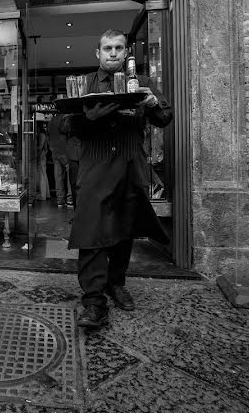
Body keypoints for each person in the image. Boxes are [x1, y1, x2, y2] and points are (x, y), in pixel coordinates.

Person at [60, 29, 172, 329]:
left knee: (124, 231)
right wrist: (87, 119)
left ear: (126, 53)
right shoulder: (83, 84)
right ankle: (94, 301)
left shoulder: (141, 86)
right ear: (98, 52)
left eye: (119, 48)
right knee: (92, 234)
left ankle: (116, 283)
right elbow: (66, 125)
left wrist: (151, 104)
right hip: (95, 169)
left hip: (129, 167)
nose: (113, 53)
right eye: (107, 48)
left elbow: (164, 118)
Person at [48, 113, 73, 208]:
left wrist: (51, 147)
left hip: (55, 151)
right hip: (66, 150)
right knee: (69, 175)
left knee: (58, 176)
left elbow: (48, 135)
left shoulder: (52, 121)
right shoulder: (66, 118)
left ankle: (60, 201)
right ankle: (70, 199)